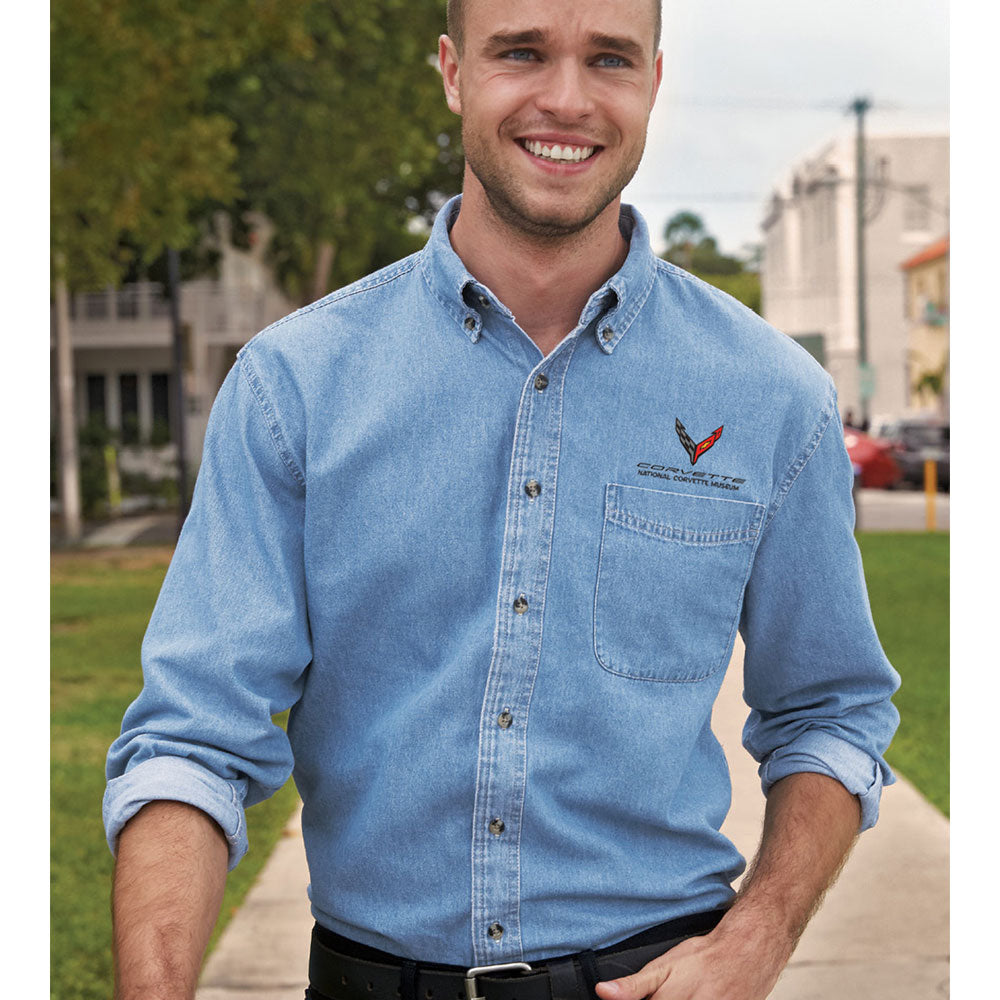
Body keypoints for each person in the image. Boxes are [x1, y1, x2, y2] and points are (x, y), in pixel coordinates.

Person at [104, 1, 900, 999]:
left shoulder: (771, 397)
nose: (565, 98)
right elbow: (190, 738)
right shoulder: (294, 385)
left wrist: (760, 935)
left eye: (607, 58)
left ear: (652, 82)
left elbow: (830, 709)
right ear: (451, 71)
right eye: (520, 51)